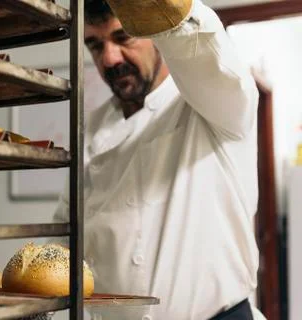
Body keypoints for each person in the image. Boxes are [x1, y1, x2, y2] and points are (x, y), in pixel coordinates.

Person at [52, 0, 265, 319]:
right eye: (95, 45)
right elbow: (63, 237)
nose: (109, 59)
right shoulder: (90, 128)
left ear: (158, 33)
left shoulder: (212, 106)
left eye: (123, 37)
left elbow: (206, 56)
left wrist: (166, 10)